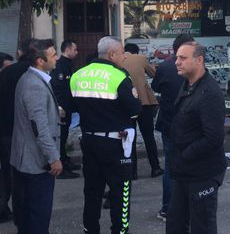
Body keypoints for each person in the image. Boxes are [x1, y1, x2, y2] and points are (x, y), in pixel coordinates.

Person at [70, 36, 142, 234]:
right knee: (121, 192)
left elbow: (71, 106)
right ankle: (119, 231)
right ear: (112, 54)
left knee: (92, 191)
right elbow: (135, 110)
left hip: (90, 140)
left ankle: (90, 229)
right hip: (115, 144)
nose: (124, 58)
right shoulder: (119, 76)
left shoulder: (78, 74)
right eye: (121, 53)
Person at [166, 42, 227, 234]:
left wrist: (185, 155)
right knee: (174, 224)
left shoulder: (209, 93)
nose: (177, 62)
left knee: (202, 226)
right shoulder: (187, 84)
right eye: (176, 57)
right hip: (183, 173)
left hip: (202, 174)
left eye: (182, 58)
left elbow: (213, 137)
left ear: (199, 60)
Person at [10, 39, 63, 233]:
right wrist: (54, 157)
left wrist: (55, 111)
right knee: (37, 216)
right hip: (35, 163)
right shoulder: (34, 84)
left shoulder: (33, 79)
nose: (56, 57)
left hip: (27, 159)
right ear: (40, 61)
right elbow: (38, 126)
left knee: (29, 215)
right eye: (52, 55)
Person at [152, 34, 194, 222]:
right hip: (190, 126)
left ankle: (168, 209)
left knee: (170, 167)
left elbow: (156, 86)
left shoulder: (165, 67)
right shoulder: (195, 67)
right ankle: (189, 207)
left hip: (169, 123)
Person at [0, 38, 34, 225]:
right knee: (21, 173)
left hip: (7, 129)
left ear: (20, 53)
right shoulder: (34, 73)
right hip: (22, 130)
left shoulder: (9, 73)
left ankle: (7, 208)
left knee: (9, 170)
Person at [121, 43, 162, 179]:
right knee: (148, 137)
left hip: (126, 105)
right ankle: (155, 168)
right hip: (144, 103)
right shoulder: (140, 58)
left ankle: (132, 172)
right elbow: (154, 73)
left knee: (129, 139)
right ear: (136, 52)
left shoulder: (118, 61)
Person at [50, 40, 81, 179]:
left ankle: (65, 160)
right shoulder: (60, 66)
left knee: (65, 134)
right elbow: (58, 88)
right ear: (67, 49)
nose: (76, 52)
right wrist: (60, 107)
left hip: (67, 107)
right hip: (62, 108)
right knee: (61, 137)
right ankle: (61, 167)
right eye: (75, 49)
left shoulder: (68, 65)